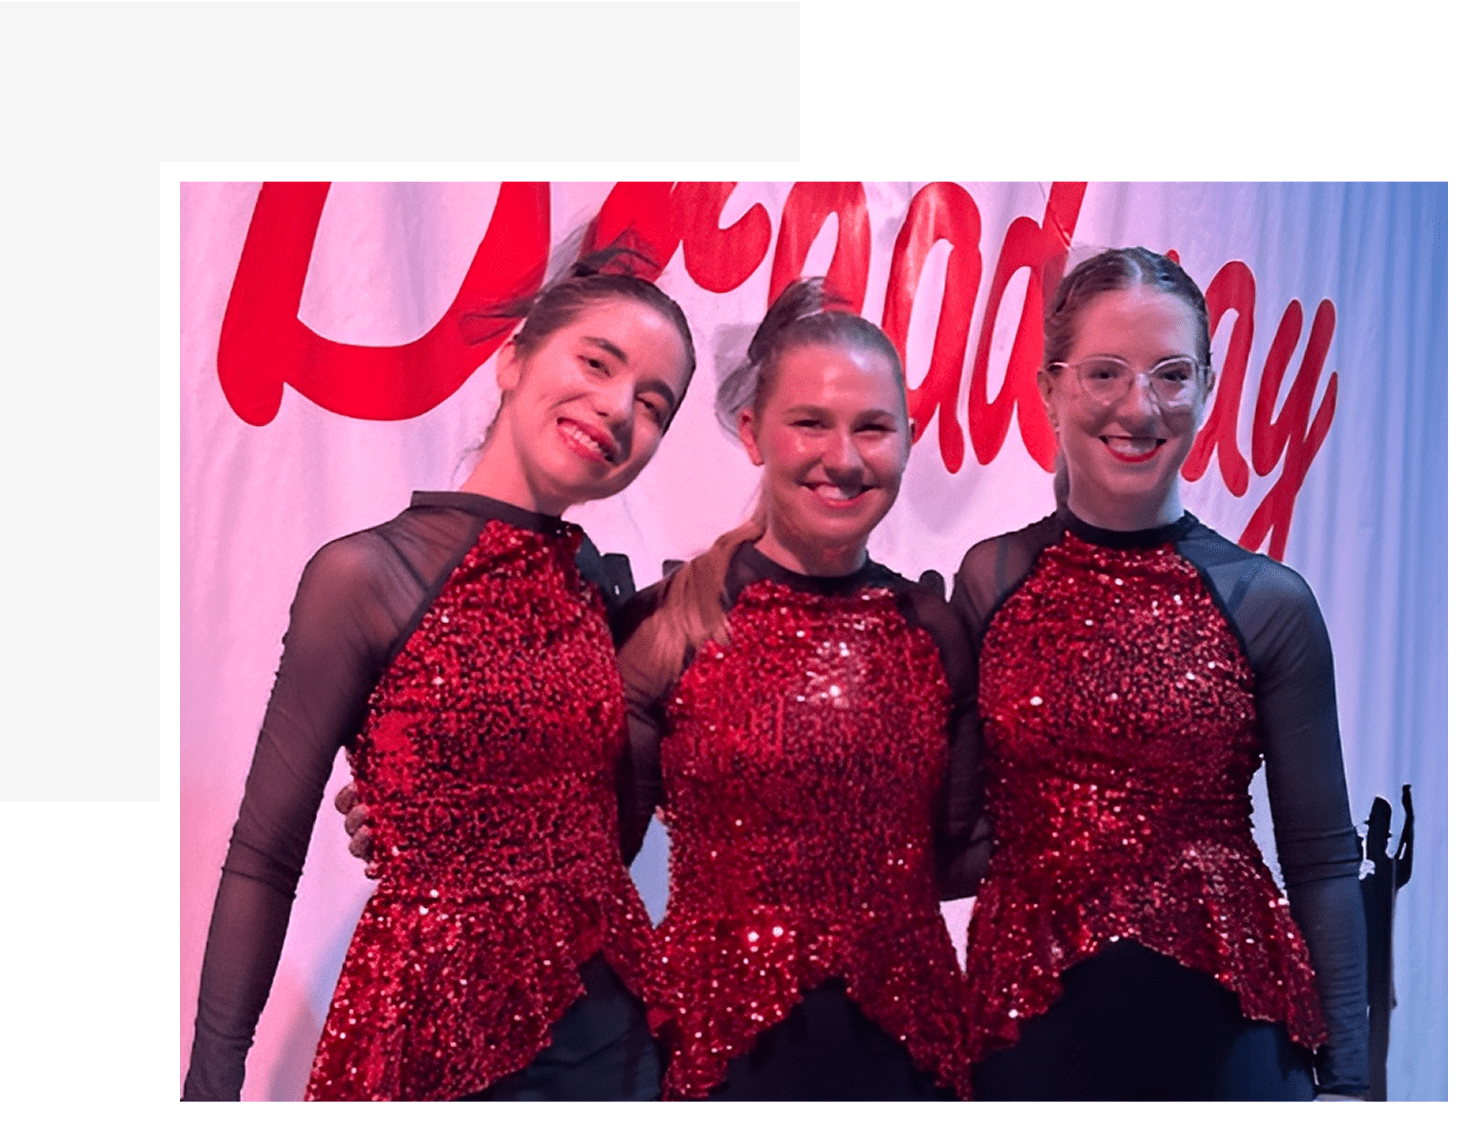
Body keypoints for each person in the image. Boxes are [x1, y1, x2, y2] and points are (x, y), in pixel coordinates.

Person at [182, 252, 698, 1101]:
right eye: (597, 362)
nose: (616, 408)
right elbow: (264, 856)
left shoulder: (599, 589)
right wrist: (207, 1091)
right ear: (513, 358)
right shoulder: (364, 575)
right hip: (426, 1039)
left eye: (652, 405)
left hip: (617, 1044)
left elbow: (599, 827)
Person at [953, 247, 1368, 1100]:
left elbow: (1321, 858)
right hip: (1025, 1030)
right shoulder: (989, 579)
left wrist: (1354, 1078)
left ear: (1207, 389)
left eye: (1171, 375)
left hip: (1230, 1035)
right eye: (1105, 371)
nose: (1138, 407)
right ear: (1050, 387)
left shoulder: (1268, 600)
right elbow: (957, 820)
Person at [614, 279, 986, 1101]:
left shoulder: (934, 627)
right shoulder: (667, 627)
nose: (844, 458)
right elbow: (587, 853)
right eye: (810, 422)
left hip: (910, 1064)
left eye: (873, 428)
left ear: (908, 439)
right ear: (753, 432)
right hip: (714, 1065)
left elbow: (971, 847)